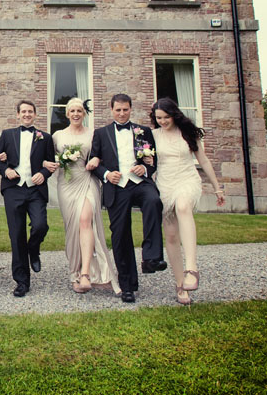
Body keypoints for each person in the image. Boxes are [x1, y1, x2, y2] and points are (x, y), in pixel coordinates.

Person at [147, 97, 225, 305]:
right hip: (165, 184)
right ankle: (181, 284)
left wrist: (217, 188)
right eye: (159, 118)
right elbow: (147, 160)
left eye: (166, 117)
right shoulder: (152, 136)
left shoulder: (188, 133)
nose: (163, 121)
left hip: (187, 179)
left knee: (183, 207)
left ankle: (192, 268)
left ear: (175, 115)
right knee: (171, 236)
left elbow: (204, 160)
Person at [90, 93, 165, 303]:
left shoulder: (144, 131)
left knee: (154, 201)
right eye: (118, 110)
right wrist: (106, 174)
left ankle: (151, 257)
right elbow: (93, 162)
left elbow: (153, 160)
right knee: (120, 234)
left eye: (125, 109)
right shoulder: (101, 133)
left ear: (131, 109)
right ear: (111, 110)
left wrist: (145, 167)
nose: (122, 113)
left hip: (140, 183)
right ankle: (127, 285)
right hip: (117, 187)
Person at [47, 98, 120, 295]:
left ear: (84, 114)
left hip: (88, 180)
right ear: (67, 114)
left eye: (79, 110)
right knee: (73, 228)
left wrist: (96, 158)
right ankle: (75, 273)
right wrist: (52, 163)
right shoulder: (57, 136)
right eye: (72, 111)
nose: (76, 114)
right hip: (66, 184)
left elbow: (104, 154)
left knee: (85, 220)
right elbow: (46, 157)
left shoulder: (94, 134)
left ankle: (86, 273)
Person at [0, 100, 55, 297]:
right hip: (14, 189)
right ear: (18, 114)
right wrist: (6, 170)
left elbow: (51, 163)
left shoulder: (45, 137)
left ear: (35, 115)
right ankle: (21, 281)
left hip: (36, 190)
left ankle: (33, 250)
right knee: (16, 234)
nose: (27, 114)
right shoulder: (7, 134)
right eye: (24, 112)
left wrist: (43, 173)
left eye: (30, 111)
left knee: (40, 225)